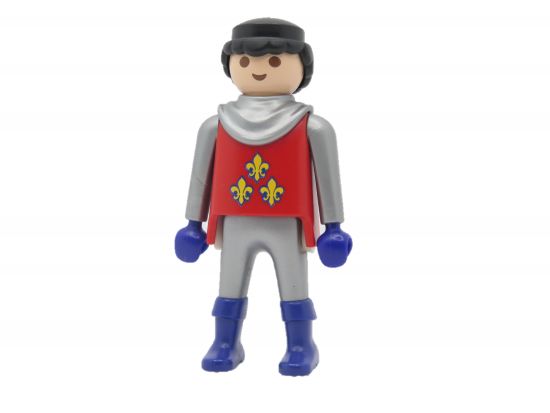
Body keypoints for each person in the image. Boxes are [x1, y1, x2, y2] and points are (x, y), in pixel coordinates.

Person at [175, 18, 352, 376]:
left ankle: (301, 345)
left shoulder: (311, 126)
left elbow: (328, 177)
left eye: (274, 61)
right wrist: (193, 223)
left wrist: (334, 227)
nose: (258, 69)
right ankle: (226, 342)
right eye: (245, 61)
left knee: (293, 284)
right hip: (234, 219)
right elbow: (200, 176)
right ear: (231, 66)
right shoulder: (217, 124)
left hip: (287, 220)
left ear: (302, 66)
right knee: (229, 283)